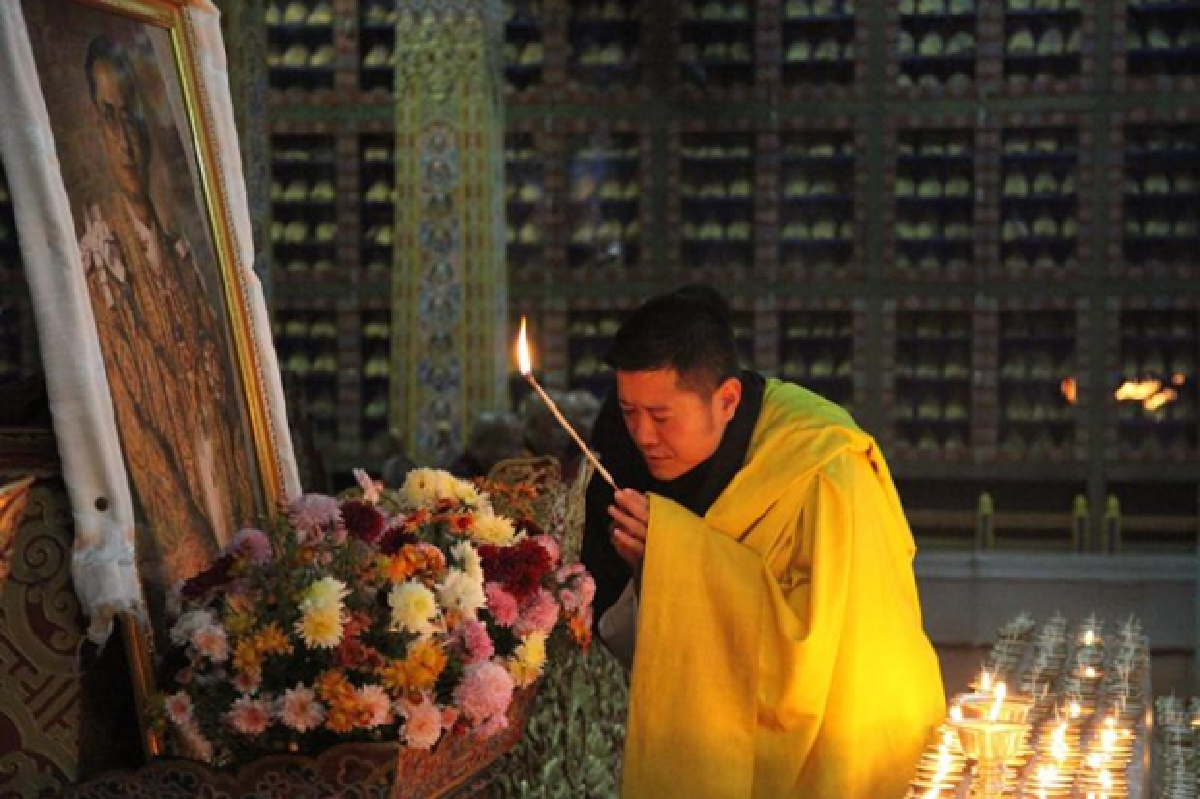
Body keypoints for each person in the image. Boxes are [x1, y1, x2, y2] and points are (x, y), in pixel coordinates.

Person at [580, 284, 945, 798]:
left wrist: (677, 554)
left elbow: (806, 649)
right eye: (628, 412)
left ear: (726, 399)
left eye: (661, 417)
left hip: (854, 732)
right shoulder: (665, 452)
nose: (642, 436)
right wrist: (653, 566)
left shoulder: (823, 465)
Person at [76, 36, 257, 604]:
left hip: (234, 511)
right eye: (108, 118)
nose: (126, 140)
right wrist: (200, 563)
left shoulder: (186, 253)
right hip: (179, 555)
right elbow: (132, 418)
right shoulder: (100, 266)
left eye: (132, 115)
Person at [448, 409, 524, 479]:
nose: (515, 454)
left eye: (518, 446)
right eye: (506, 444)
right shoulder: (459, 480)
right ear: (476, 446)